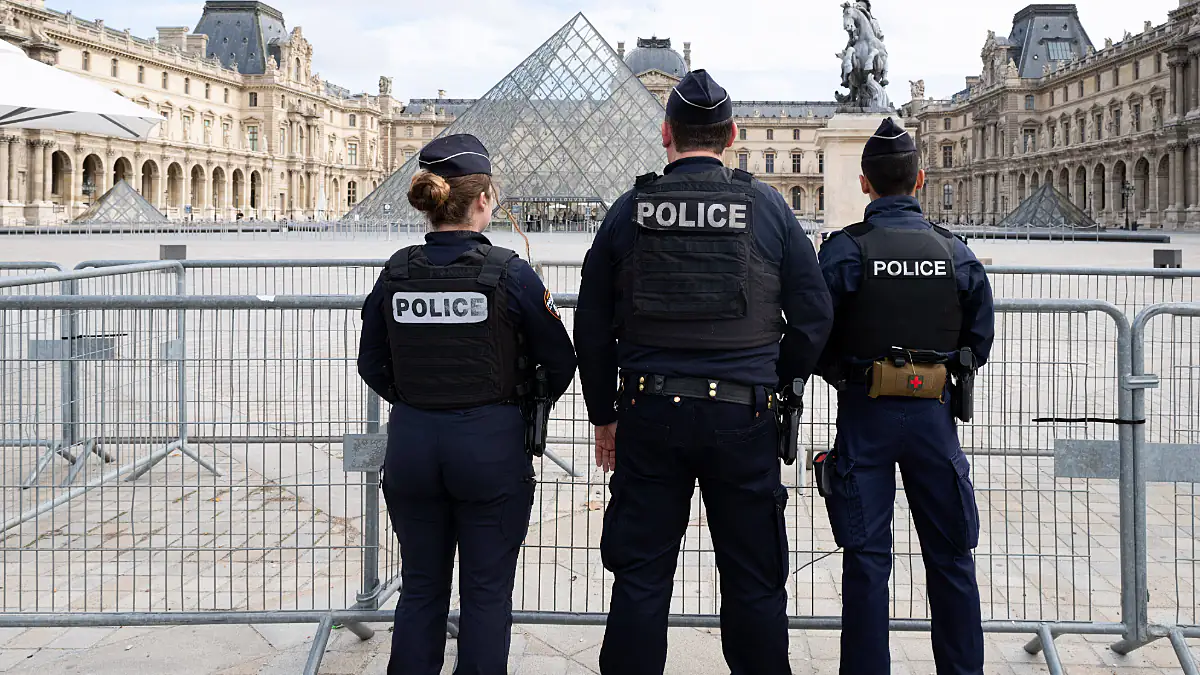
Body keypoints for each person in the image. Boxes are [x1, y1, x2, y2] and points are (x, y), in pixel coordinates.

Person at [574, 69, 835, 675]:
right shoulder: (767, 207)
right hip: (743, 416)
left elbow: (591, 325)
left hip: (648, 413)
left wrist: (604, 415)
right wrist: (777, 383)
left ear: (665, 133)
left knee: (641, 579)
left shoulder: (629, 209)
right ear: (733, 135)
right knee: (754, 580)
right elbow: (815, 315)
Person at [357, 134, 577, 675]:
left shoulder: (397, 271)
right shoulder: (509, 272)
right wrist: (520, 404)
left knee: (420, 588)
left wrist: (416, 397)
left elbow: (371, 362)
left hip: (412, 443)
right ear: (482, 200)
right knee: (485, 592)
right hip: (490, 444)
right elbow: (560, 361)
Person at [816, 117, 994, 675]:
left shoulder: (845, 251)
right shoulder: (954, 252)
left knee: (867, 562)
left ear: (864, 183)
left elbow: (815, 334)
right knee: (952, 556)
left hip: (865, 412)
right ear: (920, 178)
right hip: (934, 417)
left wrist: (850, 375)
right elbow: (979, 340)